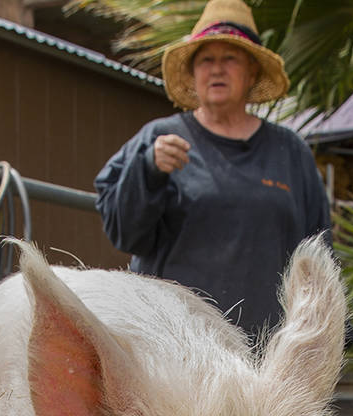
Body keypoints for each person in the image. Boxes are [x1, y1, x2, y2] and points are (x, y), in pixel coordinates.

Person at [94, 0, 333, 345]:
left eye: (230, 58)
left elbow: (318, 250)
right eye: (206, 59)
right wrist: (148, 170)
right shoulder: (159, 139)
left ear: (252, 72)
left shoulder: (289, 151)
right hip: (174, 346)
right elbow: (125, 236)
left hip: (265, 352)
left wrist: (330, 332)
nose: (216, 69)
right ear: (193, 73)